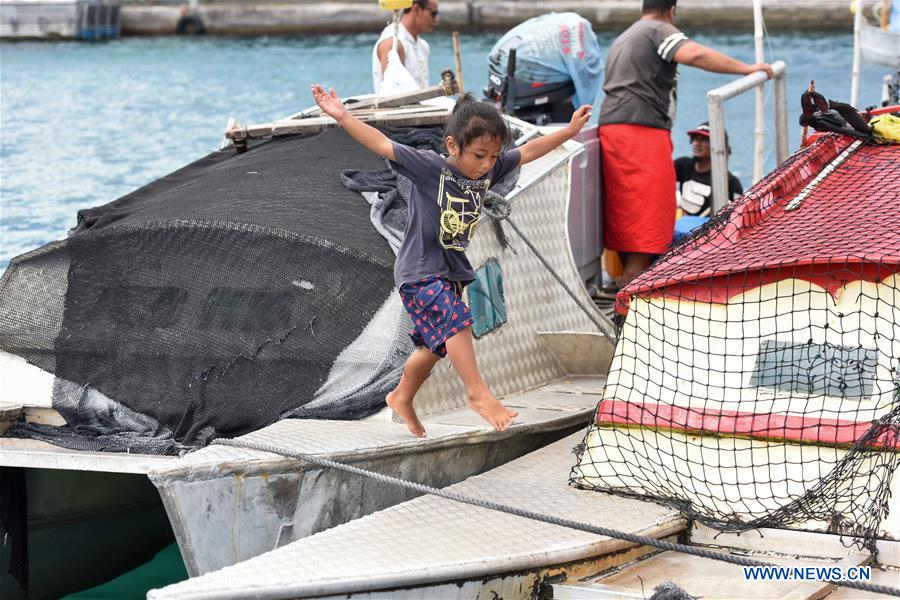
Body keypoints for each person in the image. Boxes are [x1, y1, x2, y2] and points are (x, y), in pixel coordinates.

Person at [310, 84, 592, 437]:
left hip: (451, 272)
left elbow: (529, 150)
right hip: (418, 269)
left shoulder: (490, 169)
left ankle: (401, 396)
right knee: (457, 322)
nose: (487, 164)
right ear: (452, 146)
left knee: (434, 347)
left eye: (493, 156)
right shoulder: (430, 168)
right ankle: (478, 393)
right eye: (479, 155)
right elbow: (381, 144)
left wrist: (567, 131)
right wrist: (342, 115)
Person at [599, 0, 772, 285]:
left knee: (630, 216)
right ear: (672, 10)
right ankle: (634, 291)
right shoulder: (658, 30)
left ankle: (629, 282)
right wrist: (747, 69)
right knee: (647, 217)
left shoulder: (625, 36)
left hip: (615, 129)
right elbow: (696, 54)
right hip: (639, 132)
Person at [674, 122, 743, 217]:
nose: (696, 143)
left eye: (704, 140)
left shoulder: (731, 183)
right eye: (695, 138)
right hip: (681, 228)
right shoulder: (682, 165)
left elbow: (739, 216)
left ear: (719, 147)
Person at [372, 0, 438, 92]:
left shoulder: (423, 46)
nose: (436, 19)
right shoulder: (393, 43)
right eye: (433, 13)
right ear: (417, 9)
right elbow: (392, 93)